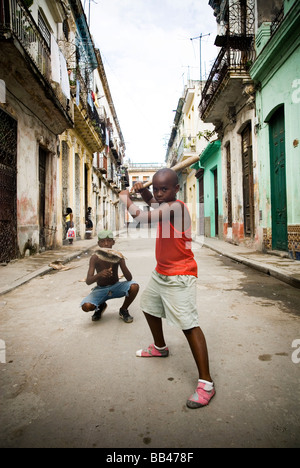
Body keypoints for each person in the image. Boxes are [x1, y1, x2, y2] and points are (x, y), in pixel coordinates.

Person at [119, 169, 215, 409]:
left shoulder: (177, 207)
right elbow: (154, 204)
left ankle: (206, 384)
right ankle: (160, 347)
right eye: (158, 188)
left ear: (176, 189)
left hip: (180, 274)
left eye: (165, 189)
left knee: (188, 325)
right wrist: (144, 191)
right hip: (162, 271)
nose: (160, 194)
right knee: (149, 307)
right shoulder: (165, 204)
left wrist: (126, 198)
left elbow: (142, 217)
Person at [80, 230, 139, 323]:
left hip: (116, 287)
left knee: (134, 286)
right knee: (86, 306)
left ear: (113, 242)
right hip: (101, 289)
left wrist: (121, 261)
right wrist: (99, 274)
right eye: (103, 241)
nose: (106, 244)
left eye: (109, 241)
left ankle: (123, 310)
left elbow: (129, 278)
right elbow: (88, 281)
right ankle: (101, 306)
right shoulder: (95, 258)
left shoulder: (117, 256)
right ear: (99, 243)